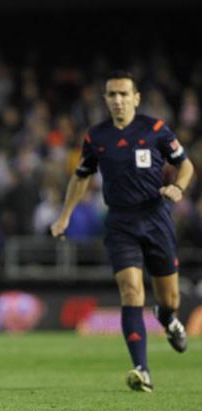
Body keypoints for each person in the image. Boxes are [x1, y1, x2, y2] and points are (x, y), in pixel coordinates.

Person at [51, 71, 194, 393]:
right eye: (112, 95)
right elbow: (81, 176)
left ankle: (167, 317)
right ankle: (141, 369)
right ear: (105, 99)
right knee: (130, 291)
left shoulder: (155, 129)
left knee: (169, 297)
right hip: (120, 223)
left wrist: (178, 187)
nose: (117, 100)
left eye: (123, 94)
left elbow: (186, 165)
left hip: (156, 218)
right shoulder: (97, 136)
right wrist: (65, 217)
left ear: (136, 98)